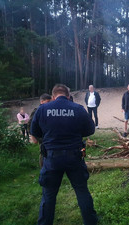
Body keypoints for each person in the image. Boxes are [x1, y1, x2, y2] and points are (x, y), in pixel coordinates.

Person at [30, 84, 98, 225]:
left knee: (48, 195)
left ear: (54, 96)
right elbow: (90, 129)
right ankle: (91, 222)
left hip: (51, 159)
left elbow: (35, 132)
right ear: (68, 95)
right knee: (81, 191)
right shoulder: (78, 109)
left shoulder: (43, 109)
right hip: (74, 157)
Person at [28, 93, 52, 167]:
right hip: (41, 136)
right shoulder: (37, 111)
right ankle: (43, 167)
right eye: (48, 102)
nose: (49, 104)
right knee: (43, 151)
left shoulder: (48, 110)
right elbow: (30, 124)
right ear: (42, 101)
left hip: (47, 134)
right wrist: (33, 136)